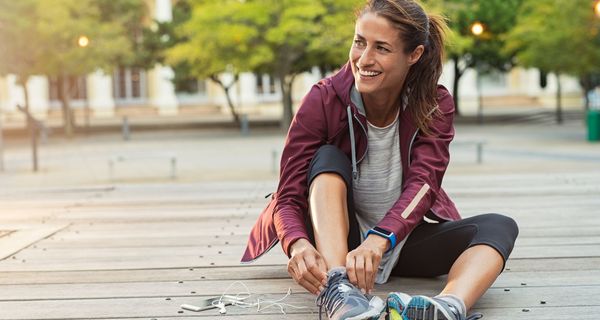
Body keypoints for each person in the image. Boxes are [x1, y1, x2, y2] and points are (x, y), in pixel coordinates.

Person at [242, 0, 519, 319]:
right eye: (360, 42)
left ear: (413, 55)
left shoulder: (434, 103)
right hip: (339, 246)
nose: (365, 59)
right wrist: (297, 243)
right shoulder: (322, 99)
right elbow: (288, 196)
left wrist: (381, 239)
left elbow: (424, 185)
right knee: (327, 158)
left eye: (382, 48)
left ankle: (448, 307)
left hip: (400, 240)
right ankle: (340, 290)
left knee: (499, 226)